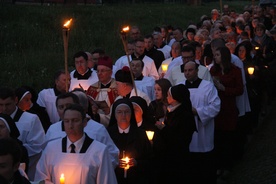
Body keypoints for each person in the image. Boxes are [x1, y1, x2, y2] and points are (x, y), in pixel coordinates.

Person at [35, 104, 117, 184]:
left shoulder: (99, 151)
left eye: (75, 120)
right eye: (67, 121)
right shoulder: (51, 148)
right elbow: (41, 178)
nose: (70, 126)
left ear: (84, 122)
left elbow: (106, 180)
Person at [44, 92, 119, 169]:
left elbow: (112, 156)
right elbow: (45, 157)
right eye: (61, 107)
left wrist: (95, 169)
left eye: (68, 106)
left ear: (78, 106)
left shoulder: (98, 130)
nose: (65, 110)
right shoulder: (52, 129)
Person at [181, 61, 221, 183]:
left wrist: (197, 112)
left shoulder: (207, 86)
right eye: (185, 71)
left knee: (205, 168)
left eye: (190, 70)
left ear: (197, 71)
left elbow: (215, 106)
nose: (187, 73)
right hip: (186, 132)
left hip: (203, 131)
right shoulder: (180, 87)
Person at [210, 47, 243, 177]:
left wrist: (224, 88)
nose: (216, 57)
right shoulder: (213, 70)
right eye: (215, 55)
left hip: (229, 107)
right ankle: (219, 165)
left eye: (217, 55)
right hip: (217, 109)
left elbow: (239, 90)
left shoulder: (235, 71)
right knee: (218, 138)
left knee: (228, 138)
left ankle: (228, 165)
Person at [0, 87, 45, 180]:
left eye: (7, 104)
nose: (4, 109)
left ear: (16, 100)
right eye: (0, 105)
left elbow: (37, 147)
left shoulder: (31, 119)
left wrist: (13, 152)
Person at [155, 84, 196, 183]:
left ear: (176, 98)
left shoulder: (184, 115)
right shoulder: (172, 110)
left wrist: (163, 128)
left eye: (169, 95)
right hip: (168, 154)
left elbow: (180, 138)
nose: (167, 97)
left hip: (178, 156)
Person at [107, 98, 152, 184]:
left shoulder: (141, 134)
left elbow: (150, 159)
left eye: (127, 112)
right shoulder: (107, 134)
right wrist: (114, 163)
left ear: (131, 114)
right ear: (114, 114)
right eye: (119, 112)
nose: (123, 115)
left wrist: (137, 163)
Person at [86, 56, 118, 127]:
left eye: (102, 71)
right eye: (98, 71)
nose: (99, 73)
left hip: (113, 124)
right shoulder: (92, 88)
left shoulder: (118, 88)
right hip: (94, 124)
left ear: (110, 72)